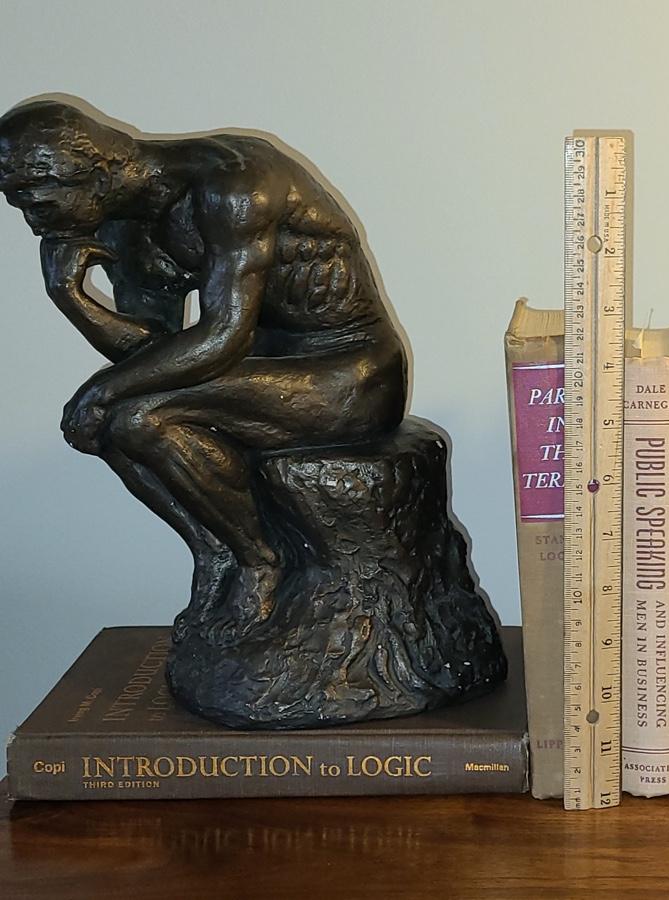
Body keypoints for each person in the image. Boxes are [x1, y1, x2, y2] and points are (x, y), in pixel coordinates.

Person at [0, 100, 407, 642]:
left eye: (37, 203)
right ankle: (216, 551)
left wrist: (101, 391)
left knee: (135, 417)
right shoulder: (122, 227)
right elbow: (152, 355)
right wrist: (71, 297)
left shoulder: (234, 183)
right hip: (259, 375)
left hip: (350, 373)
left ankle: (260, 561)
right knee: (110, 423)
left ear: (95, 174)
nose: (33, 223)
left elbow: (222, 338)